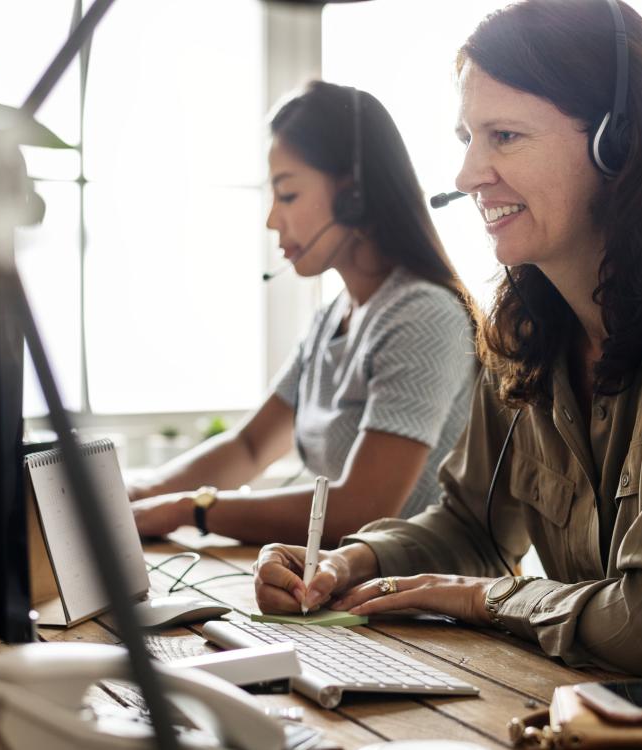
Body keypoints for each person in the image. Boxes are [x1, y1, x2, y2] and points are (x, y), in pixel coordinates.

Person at [255, 0, 642, 677]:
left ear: (615, 142)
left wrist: (485, 600)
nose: (468, 174)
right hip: (589, 713)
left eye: (503, 136)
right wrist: (349, 561)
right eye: (467, 137)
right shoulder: (531, 322)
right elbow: (471, 527)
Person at [128, 81, 478, 546]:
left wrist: (190, 510)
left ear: (354, 195)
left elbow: (358, 511)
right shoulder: (332, 318)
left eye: (288, 195)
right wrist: (137, 494)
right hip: (341, 594)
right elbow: (250, 447)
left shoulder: (423, 316)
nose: (273, 219)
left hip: (420, 606)